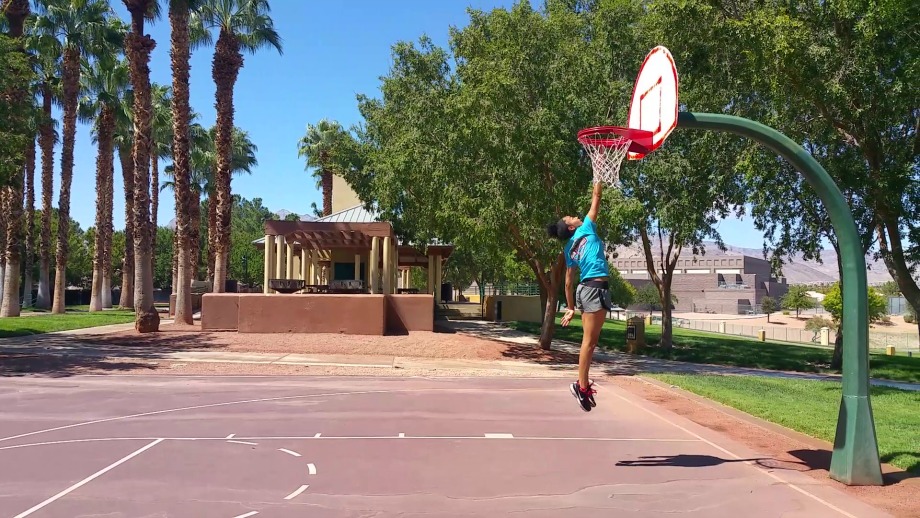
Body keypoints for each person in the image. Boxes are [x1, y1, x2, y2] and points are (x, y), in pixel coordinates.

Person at [546, 181, 612, 412]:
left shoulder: (568, 249)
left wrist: (571, 306)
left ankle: (581, 385)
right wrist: (599, 175)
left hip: (585, 289)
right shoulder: (586, 228)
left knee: (589, 342)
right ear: (572, 227)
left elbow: (567, 281)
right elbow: (596, 197)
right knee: (590, 343)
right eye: (571, 217)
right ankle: (581, 386)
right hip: (594, 288)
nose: (575, 216)